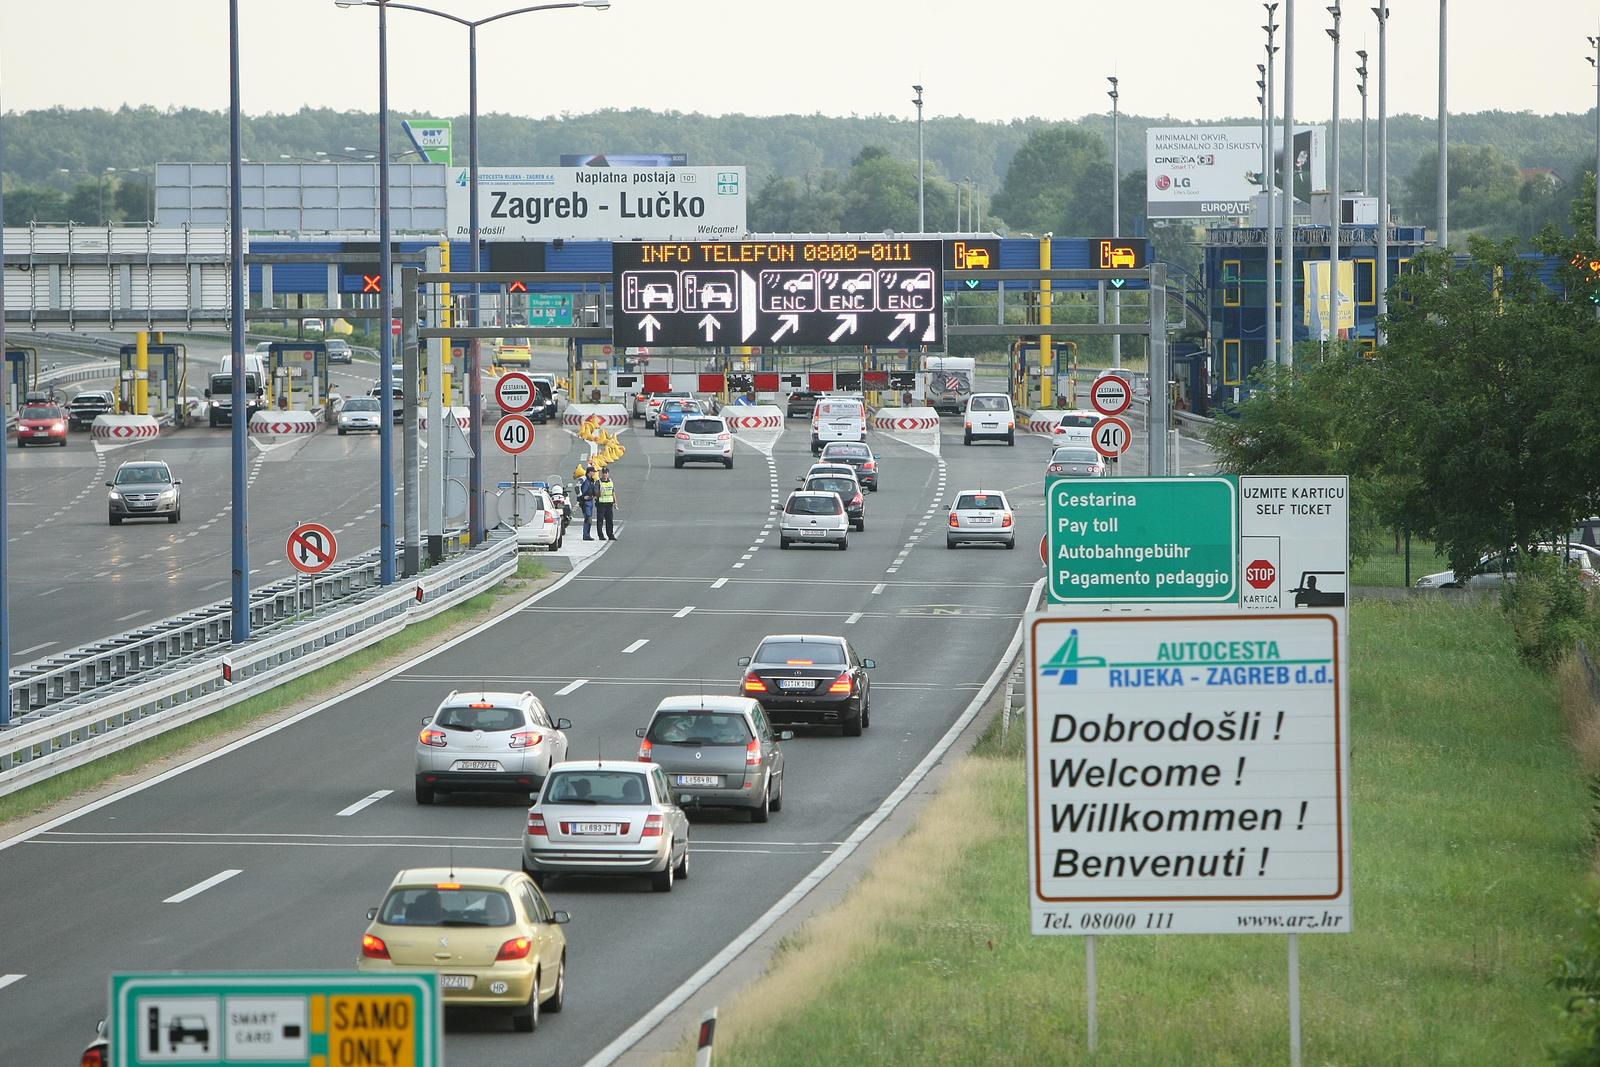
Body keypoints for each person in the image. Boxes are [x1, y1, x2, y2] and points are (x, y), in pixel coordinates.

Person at [596, 466, 618, 541]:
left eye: (606, 473)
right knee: (600, 520)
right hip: (601, 504)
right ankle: (601, 536)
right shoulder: (598, 482)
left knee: (610, 520)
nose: (605, 474)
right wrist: (599, 492)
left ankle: (610, 535)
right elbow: (596, 494)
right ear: (602, 474)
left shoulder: (610, 482)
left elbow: (613, 492)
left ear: (608, 474)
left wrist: (615, 502)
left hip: (609, 503)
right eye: (604, 473)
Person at [577, 465, 599, 540]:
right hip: (585, 502)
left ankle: (587, 535)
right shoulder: (583, 479)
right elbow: (577, 487)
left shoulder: (591, 480)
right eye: (593, 472)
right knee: (588, 518)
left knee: (589, 518)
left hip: (590, 501)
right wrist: (582, 497)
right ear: (590, 472)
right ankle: (586, 535)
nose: (594, 473)